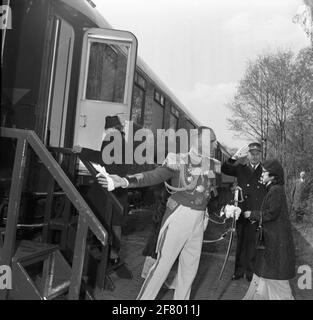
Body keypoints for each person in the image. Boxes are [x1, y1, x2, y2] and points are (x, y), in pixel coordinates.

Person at [97, 127, 237, 300]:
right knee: (162, 268)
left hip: (200, 220)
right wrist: (125, 181)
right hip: (179, 217)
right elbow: (153, 176)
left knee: (189, 270)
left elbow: (213, 196)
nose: (215, 144)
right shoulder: (177, 160)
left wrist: (227, 208)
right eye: (211, 140)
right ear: (198, 140)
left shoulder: (212, 165)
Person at [74, 115, 132, 278]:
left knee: (93, 211)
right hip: (119, 188)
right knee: (116, 223)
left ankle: (91, 249)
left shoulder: (110, 138)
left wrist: (82, 151)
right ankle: (113, 256)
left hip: (109, 187)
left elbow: (102, 158)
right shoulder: (122, 141)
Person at [243, 159, 296, 300]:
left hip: (275, 243)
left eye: (264, 173)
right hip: (272, 241)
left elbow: (271, 213)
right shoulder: (274, 189)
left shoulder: (275, 191)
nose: (261, 175)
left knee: (276, 280)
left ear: (273, 176)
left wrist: (251, 214)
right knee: (267, 276)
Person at [221, 142, 266, 281]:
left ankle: (250, 272)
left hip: (255, 211)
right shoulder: (241, 168)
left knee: (253, 242)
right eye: (252, 154)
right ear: (248, 155)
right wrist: (234, 157)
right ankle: (238, 271)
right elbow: (225, 169)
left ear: (261, 155)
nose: (254, 156)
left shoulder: (265, 171)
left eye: (257, 154)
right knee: (241, 241)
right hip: (241, 210)